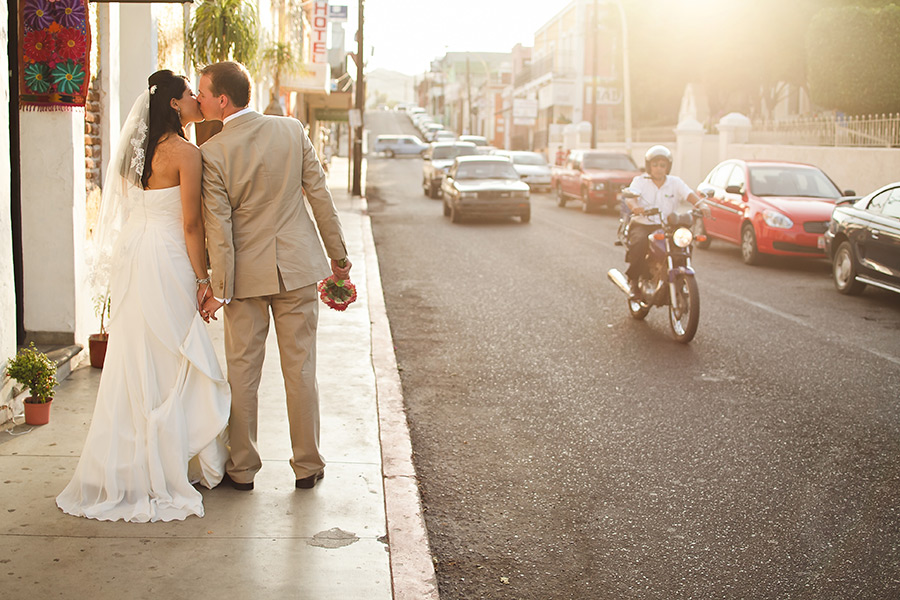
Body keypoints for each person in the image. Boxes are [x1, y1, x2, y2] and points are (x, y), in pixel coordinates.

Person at [56, 71, 231, 522]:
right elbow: (190, 225)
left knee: (136, 355)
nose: (196, 99)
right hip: (168, 256)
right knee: (173, 353)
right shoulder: (186, 154)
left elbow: (132, 211)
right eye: (191, 93)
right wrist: (202, 277)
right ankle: (167, 464)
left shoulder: (133, 156)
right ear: (175, 104)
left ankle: (127, 463)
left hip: (135, 255)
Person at [196, 61, 350, 492]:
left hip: (245, 277)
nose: (199, 99)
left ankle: (242, 470)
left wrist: (219, 289)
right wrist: (339, 258)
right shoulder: (291, 131)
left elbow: (218, 229)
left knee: (242, 374)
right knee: (301, 370)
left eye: (203, 92)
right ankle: (308, 465)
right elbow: (319, 196)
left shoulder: (212, 153)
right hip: (298, 269)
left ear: (222, 100)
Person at [624, 145, 708, 298]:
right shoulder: (640, 180)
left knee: (684, 243)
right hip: (643, 224)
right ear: (649, 166)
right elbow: (631, 197)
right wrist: (635, 207)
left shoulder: (675, 182)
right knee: (640, 242)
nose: (658, 169)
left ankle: (680, 277)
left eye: (662, 165)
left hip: (667, 226)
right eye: (655, 165)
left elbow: (689, 194)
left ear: (668, 167)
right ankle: (634, 282)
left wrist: (701, 204)